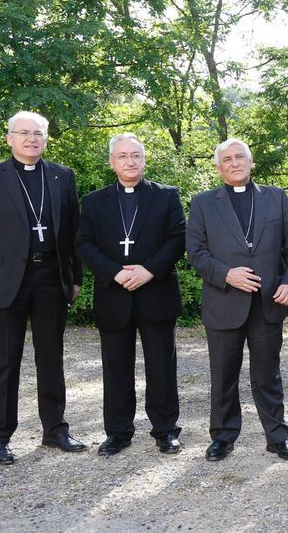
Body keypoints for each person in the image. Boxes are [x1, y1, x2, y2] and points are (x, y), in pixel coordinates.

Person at [0, 110, 85, 465]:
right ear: (9, 138)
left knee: (51, 359)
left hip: (50, 279)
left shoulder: (62, 176)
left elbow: (74, 232)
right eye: (24, 133)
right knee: (5, 362)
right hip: (4, 282)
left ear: (46, 139)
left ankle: (55, 430)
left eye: (39, 134)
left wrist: (73, 278)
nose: (32, 139)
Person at [186, 139, 288, 462]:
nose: (235, 163)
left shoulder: (276, 198)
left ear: (252, 163)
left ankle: (278, 436)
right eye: (227, 159)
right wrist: (227, 274)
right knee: (223, 374)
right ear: (218, 167)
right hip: (224, 302)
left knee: (268, 374)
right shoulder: (202, 204)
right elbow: (195, 253)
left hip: (268, 303)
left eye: (241, 157)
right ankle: (223, 437)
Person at [76, 133, 185, 456]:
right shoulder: (94, 202)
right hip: (114, 293)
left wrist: (148, 270)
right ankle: (118, 432)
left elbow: (178, 238)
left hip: (156, 291)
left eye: (135, 155)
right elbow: (83, 243)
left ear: (144, 159)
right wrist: (115, 272)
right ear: (112, 162)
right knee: (116, 367)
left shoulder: (166, 196)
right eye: (122, 156)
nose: (130, 161)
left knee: (162, 367)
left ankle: (166, 430)